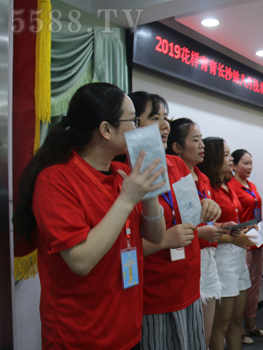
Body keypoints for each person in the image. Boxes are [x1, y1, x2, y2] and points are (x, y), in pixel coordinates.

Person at [12, 83, 166, 349]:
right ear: (106, 130)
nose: (139, 129)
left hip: (127, 327)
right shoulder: (55, 180)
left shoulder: (120, 172)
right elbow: (80, 261)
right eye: (134, 121)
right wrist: (128, 198)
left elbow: (155, 235)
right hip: (80, 336)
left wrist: (150, 192)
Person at [129, 92, 221, 350]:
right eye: (154, 117)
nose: (165, 125)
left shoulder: (177, 165)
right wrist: (163, 241)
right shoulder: (126, 172)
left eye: (165, 118)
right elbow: (122, 246)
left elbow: (190, 213)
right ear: (131, 124)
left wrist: (206, 206)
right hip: (156, 292)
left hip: (189, 284)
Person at [167, 118, 227, 348]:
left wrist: (220, 225)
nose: (202, 145)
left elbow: (202, 219)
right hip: (188, 257)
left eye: (202, 139)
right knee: (193, 335)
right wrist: (202, 233)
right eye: (195, 140)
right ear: (177, 148)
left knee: (207, 333)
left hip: (209, 258)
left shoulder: (202, 178)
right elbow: (174, 224)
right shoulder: (173, 178)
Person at [199, 137, 255, 350]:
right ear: (213, 158)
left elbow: (225, 224)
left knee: (235, 321)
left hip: (237, 256)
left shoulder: (227, 185)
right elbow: (206, 230)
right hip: (221, 258)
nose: (231, 159)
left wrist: (241, 230)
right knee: (220, 325)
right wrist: (234, 237)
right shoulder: (208, 189)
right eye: (225, 155)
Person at [228, 149, 263, 341]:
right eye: (245, 163)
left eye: (251, 163)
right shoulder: (231, 186)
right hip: (241, 242)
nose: (249, 167)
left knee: (255, 283)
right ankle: (239, 330)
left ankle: (251, 323)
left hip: (256, 240)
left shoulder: (251, 185)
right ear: (234, 165)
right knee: (242, 285)